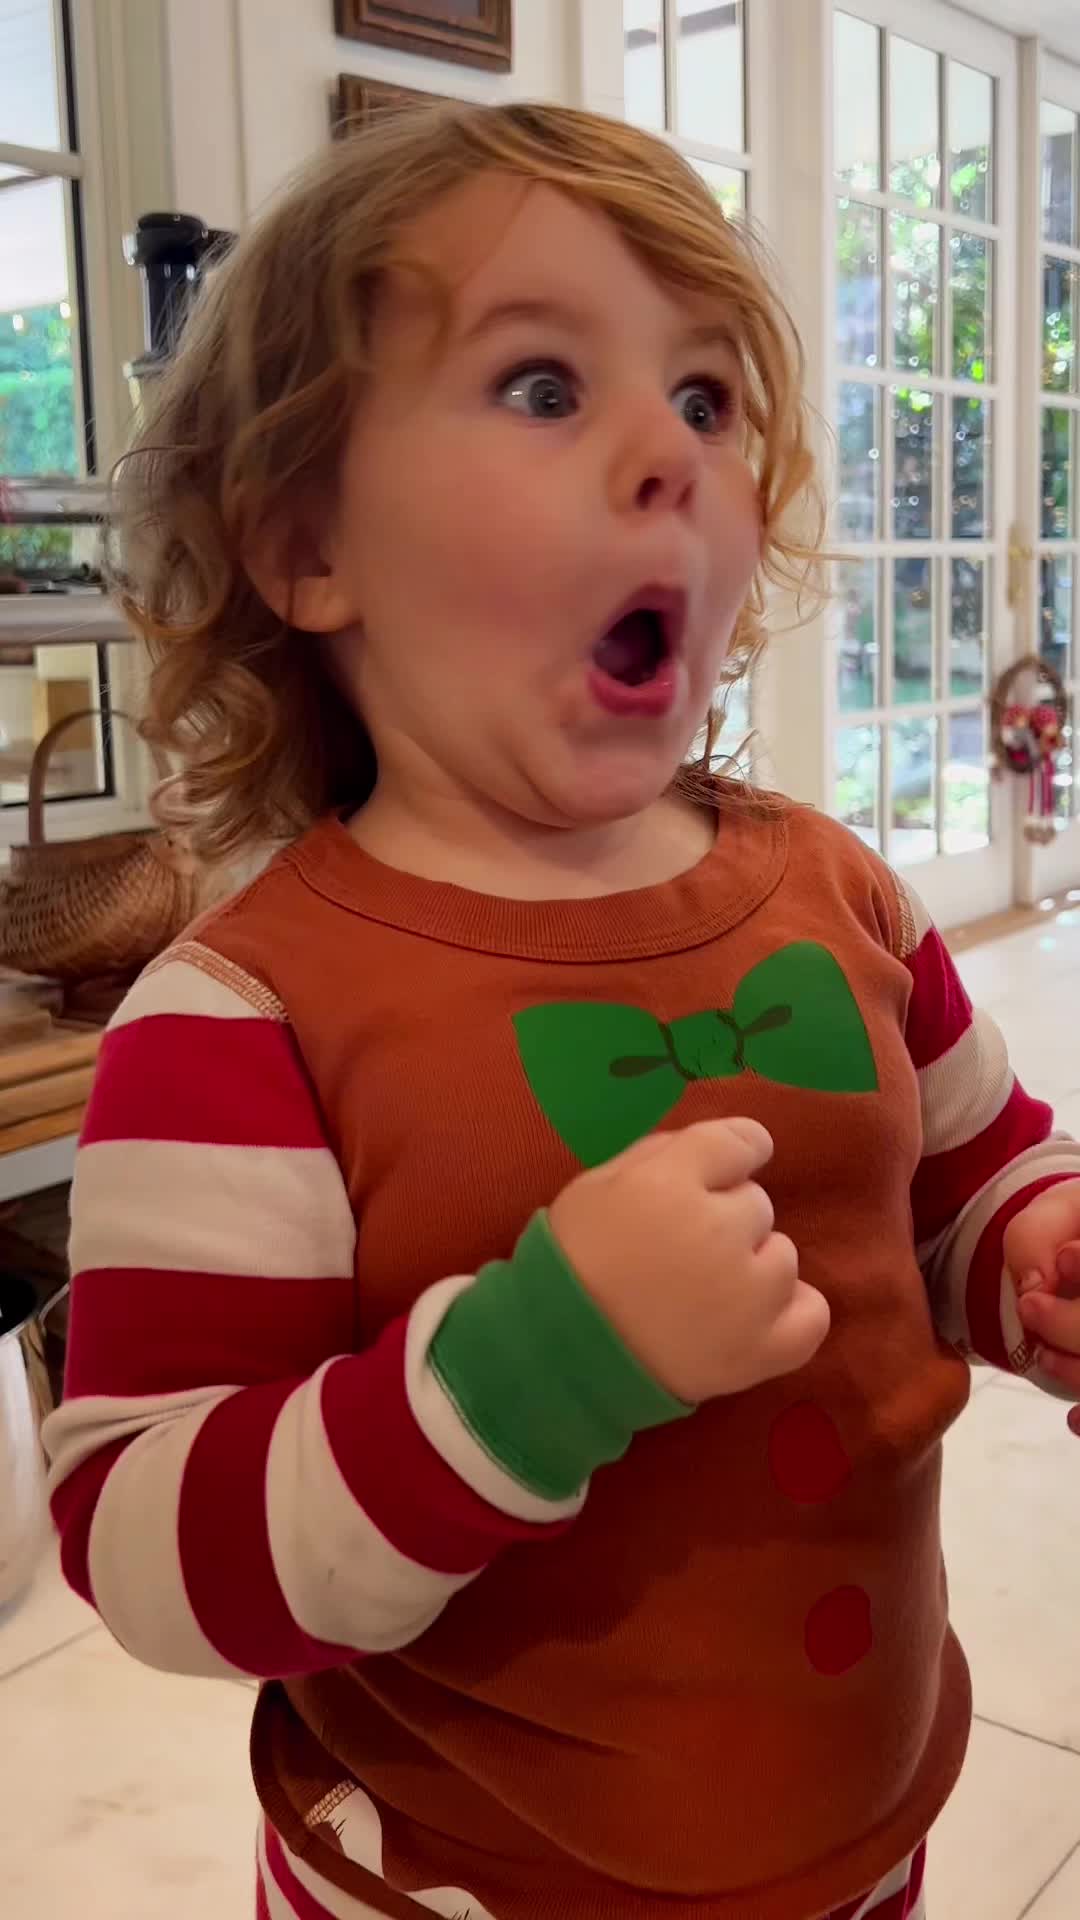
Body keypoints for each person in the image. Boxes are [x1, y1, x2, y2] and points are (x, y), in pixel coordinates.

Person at [42, 102, 1080, 1920]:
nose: (669, 452)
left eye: (706, 397)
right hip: (456, 1889)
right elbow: (142, 1543)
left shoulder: (839, 893)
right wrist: (533, 1372)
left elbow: (963, 1183)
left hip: (864, 1838)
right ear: (306, 544)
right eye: (542, 386)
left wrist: (1039, 1255)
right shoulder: (241, 1021)